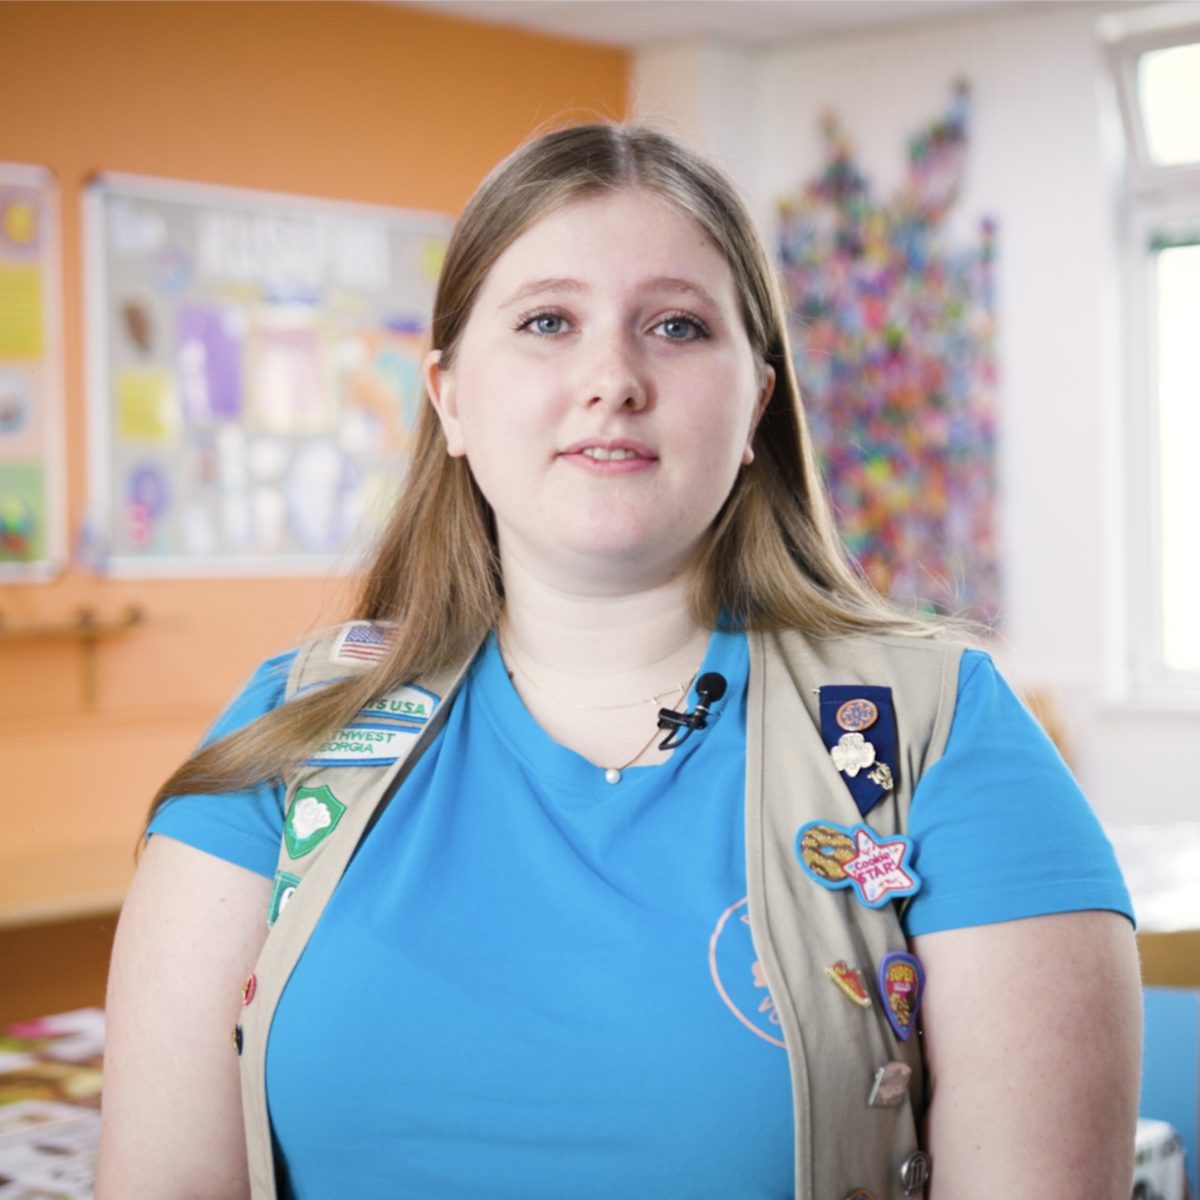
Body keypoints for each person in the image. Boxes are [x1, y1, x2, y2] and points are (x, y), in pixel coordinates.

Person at [97, 124, 1142, 1200]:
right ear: (450, 398)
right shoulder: (292, 732)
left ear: (757, 407)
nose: (613, 378)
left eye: (678, 327)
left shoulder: (936, 728)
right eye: (548, 321)